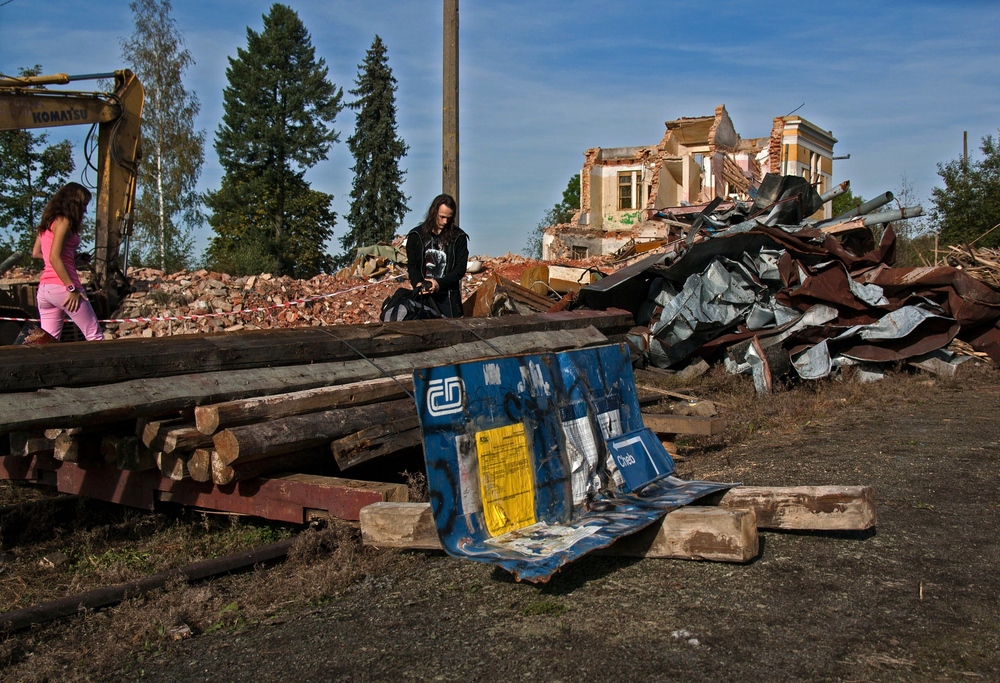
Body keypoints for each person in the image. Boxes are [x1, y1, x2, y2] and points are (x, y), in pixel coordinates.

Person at [31, 182, 104, 341]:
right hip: (64, 287)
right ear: (73, 202)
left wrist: (74, 257)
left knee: (47, 342)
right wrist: (71, 288)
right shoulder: (64, 222)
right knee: (94, 335)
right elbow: (54, 257)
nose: (85, 210)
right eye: (83, 204)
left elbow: (37, 253)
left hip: (45, 290)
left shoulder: (47, 222)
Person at [405, 194, 469, 318]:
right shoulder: (416, 236)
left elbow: (460, 269)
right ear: (433, 212)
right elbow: (412, 266)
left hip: (448, 300)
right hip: (422, 298)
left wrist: (439, 283)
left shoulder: (459, 238)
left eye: (449, 218)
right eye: (442, 217)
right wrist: (418, 283)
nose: (445, 222)